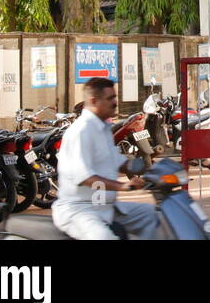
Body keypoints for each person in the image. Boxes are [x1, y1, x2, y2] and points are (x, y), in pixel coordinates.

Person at [53, 77, 163, 240]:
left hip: (106, 206)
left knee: (152, 215)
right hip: (80, 209)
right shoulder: (81, 131)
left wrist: (148, 168)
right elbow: (85, 178)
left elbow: (118, 162)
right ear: (94, 101)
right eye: (110, 98)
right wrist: (124, 186)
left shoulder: (103, 128)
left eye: (115, 97)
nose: (115, 103)